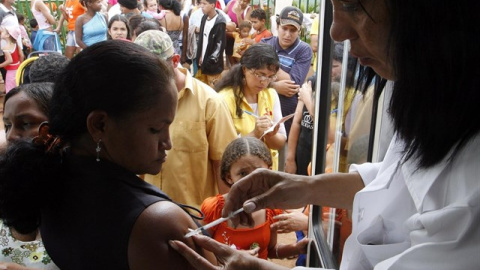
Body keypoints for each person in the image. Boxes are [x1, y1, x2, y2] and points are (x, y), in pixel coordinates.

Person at [168, 0, 480, 269]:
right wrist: (302, 187)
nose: (336, 32)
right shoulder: (423, 91)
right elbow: (393, 180)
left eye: (353, 7)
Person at [0, 40, 214, 269]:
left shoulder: (47, 180)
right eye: (155, 129)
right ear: (100, 124)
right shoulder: (158, 223)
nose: (167, 143)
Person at [135, 30, 237, 209]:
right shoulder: (135, 101)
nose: (146, 77)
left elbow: (224, 165)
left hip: (194, 218)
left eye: (154, 69)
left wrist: (224, 218)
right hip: (147, 212)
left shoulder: (210, 102)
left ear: (174, 61)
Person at [201, 137, 308, 260]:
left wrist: (296, 248)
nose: (252, 180)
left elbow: (270, 250)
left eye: (259, 172)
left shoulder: (271, 210)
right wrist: (229, 256)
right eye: (243, 174)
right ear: (229, 177)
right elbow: (199, 251)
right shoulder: (214, 210)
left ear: (269, 172)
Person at [0, 83, 60, 269]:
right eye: (7, 125)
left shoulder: (80, 201)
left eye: (25, 124)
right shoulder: (6, 186)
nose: (10, 136)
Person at [216, 43, 286, 171]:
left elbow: (280, 142)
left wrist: (270, 134)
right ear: (244, 70)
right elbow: (224, 151)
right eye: (260, 74)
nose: (264, 81)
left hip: (267, 172)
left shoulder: (271, 95)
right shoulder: (224, 99)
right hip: (241, 174)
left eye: (270, 77)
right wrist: (255, 133)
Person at [261, 6, 313, 136]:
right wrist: (274, 85)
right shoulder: (265, 43)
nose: (287, 34)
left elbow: (293, 83)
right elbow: (251, 76)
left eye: (293, 30)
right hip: (263, 105)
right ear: (277, 26)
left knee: (282, 146)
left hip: (287, 112)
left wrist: (266, 66)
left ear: (299, 31)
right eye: (284, 28)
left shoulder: (304, 50)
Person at [195, 0, 226, 88]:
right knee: (203, 89)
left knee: (214, 90)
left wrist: (210, 61)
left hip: (212, 65)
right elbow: (202, 40)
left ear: (212, 5)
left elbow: (219, 46)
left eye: (204, 4)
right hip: (202, 62)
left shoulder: (219, 22)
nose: (201, 6)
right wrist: (200, 56)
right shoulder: (204, 18)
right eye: (201, 3)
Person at [223, 0, 251, 66]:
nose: (241, 2)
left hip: (240, 41)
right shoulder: (231, 3)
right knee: (231, 64)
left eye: (244, 1)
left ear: (248, 2)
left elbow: (243, 27)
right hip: (228, 38)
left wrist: (238, 13)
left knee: (240, 63)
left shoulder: (249, 10)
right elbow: (221, 14)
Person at [0, 26, 20, 92]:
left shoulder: (6, 47)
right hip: (17, 68)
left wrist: (0, 65)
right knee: (17, 86)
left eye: (3, 32)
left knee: (10, 88)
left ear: (7, 35)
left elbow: (9, 60)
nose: (1, 33)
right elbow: (21, 55)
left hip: (11, 71)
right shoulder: (15, 44)